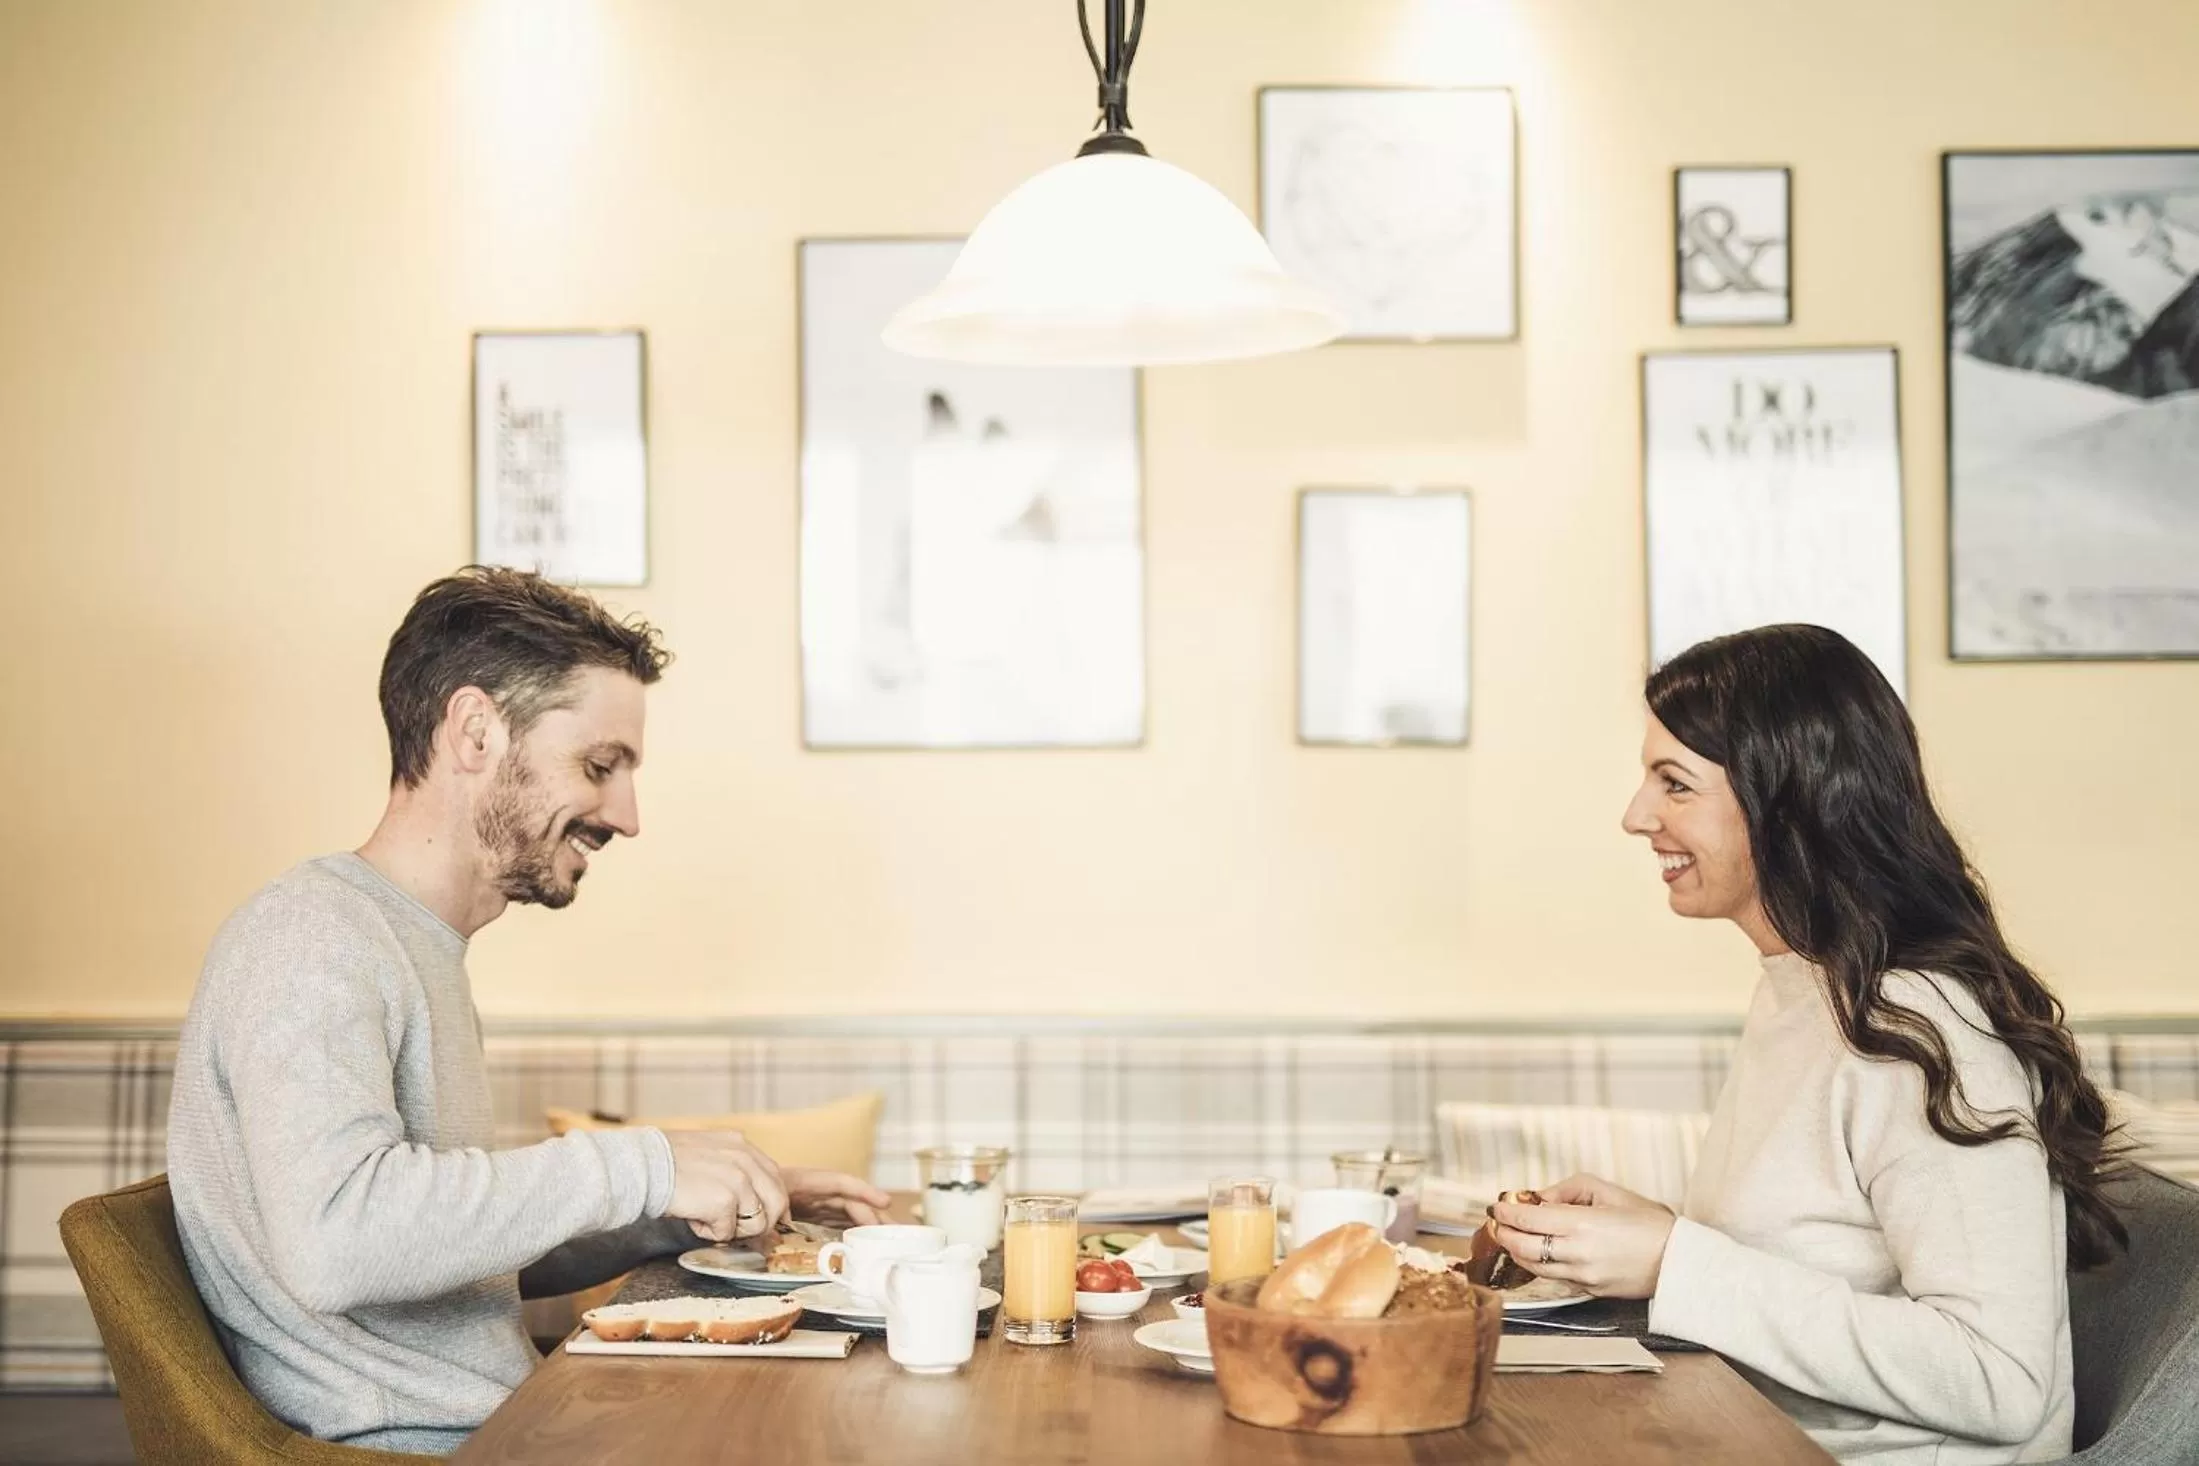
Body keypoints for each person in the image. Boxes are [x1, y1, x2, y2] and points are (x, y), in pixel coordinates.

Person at [167, 568, 890, 1453]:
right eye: (598, 766)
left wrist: (685, 1207)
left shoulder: (410, 945)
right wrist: (645, 1165)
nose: (626, 817)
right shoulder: (313, 937)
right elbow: (338, 1241)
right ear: (475, 732)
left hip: (503, 1425)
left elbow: (451, 1257)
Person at [1487, 624, 2124, 1465]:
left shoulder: (1918, 1023)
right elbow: (1809, 1258)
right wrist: (1651, 1235)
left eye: (1673, 784)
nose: (1635, 816)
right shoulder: (1804, 986)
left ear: (1786, 800)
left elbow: (1999, 1381)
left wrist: (1675, 1261)